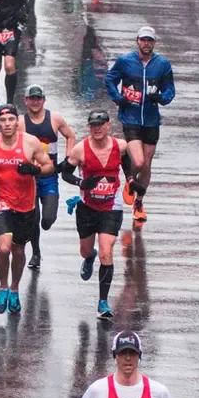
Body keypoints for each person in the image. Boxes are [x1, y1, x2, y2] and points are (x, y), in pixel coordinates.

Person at [0, 103, 54, 315]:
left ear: (17, 121)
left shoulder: (30, 143)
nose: (7, 124)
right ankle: (3, 286)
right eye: (2, 120)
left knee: (18, 250)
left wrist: (34, 169)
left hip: (25, 204)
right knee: (4, 248)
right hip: (0, 201)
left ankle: (14, 288)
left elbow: (49, 166)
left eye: (11, 120)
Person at [58, 110, 126, 316]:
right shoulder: (80, 150)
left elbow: (128, 164)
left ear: (108, 125)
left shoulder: (120, 146)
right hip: (87, 207)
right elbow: (65, 173)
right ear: (89, 127)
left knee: (107, 251)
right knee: (87, 250)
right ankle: (89, 258)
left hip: (111, 206)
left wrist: (131, 180)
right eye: (93, 125)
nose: (97, 129)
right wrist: (81, 182)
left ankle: (103, 302)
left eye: (100, 124)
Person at [105, 25, 175, 227]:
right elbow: (110, 79)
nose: (146, 44)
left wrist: (162, 98)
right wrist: (118, 98)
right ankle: (129, 177)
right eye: (143, 40)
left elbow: (170, 87)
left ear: (154, 43)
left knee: (147, 164)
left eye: (149, 40)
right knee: (138, 160)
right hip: (131, 117)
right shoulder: (125, 61)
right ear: (137, 41)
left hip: (151, 120)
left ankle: (139, 203)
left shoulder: (162, 64)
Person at [18, 84, 72, 271]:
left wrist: (68, 159)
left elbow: (70, 136)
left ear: (44, 100)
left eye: (38, 98)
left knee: (47, 219)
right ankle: (36, 253)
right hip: (29, 179)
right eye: (31, 98)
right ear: (26, 101)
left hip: (50, 176)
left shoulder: (54, 119)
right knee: (34, 217)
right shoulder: (20, 123)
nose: (35, 102)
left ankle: (40, 239)